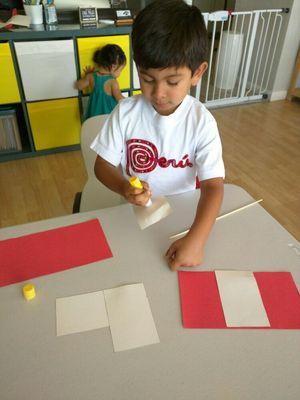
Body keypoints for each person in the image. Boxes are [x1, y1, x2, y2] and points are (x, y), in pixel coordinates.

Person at [91, 0, 225, 270]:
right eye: (147, 79)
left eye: (172, 82)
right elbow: (102, 165)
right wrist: (123, 187)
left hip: (184, 216)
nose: (158, 93)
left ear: (197, 73)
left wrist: (197, 240)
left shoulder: (201, 122)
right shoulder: (126, 112)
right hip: (132, 215)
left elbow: (213, 186)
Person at [76, 44, 126, 119]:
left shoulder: (91, 77)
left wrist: (86, 75)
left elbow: (78, 86)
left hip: (93, 117)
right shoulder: (112, 82)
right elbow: (120, 99)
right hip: (108, 118)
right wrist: (131, 102)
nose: (120, 74)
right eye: (120, 70)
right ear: (113, 67)